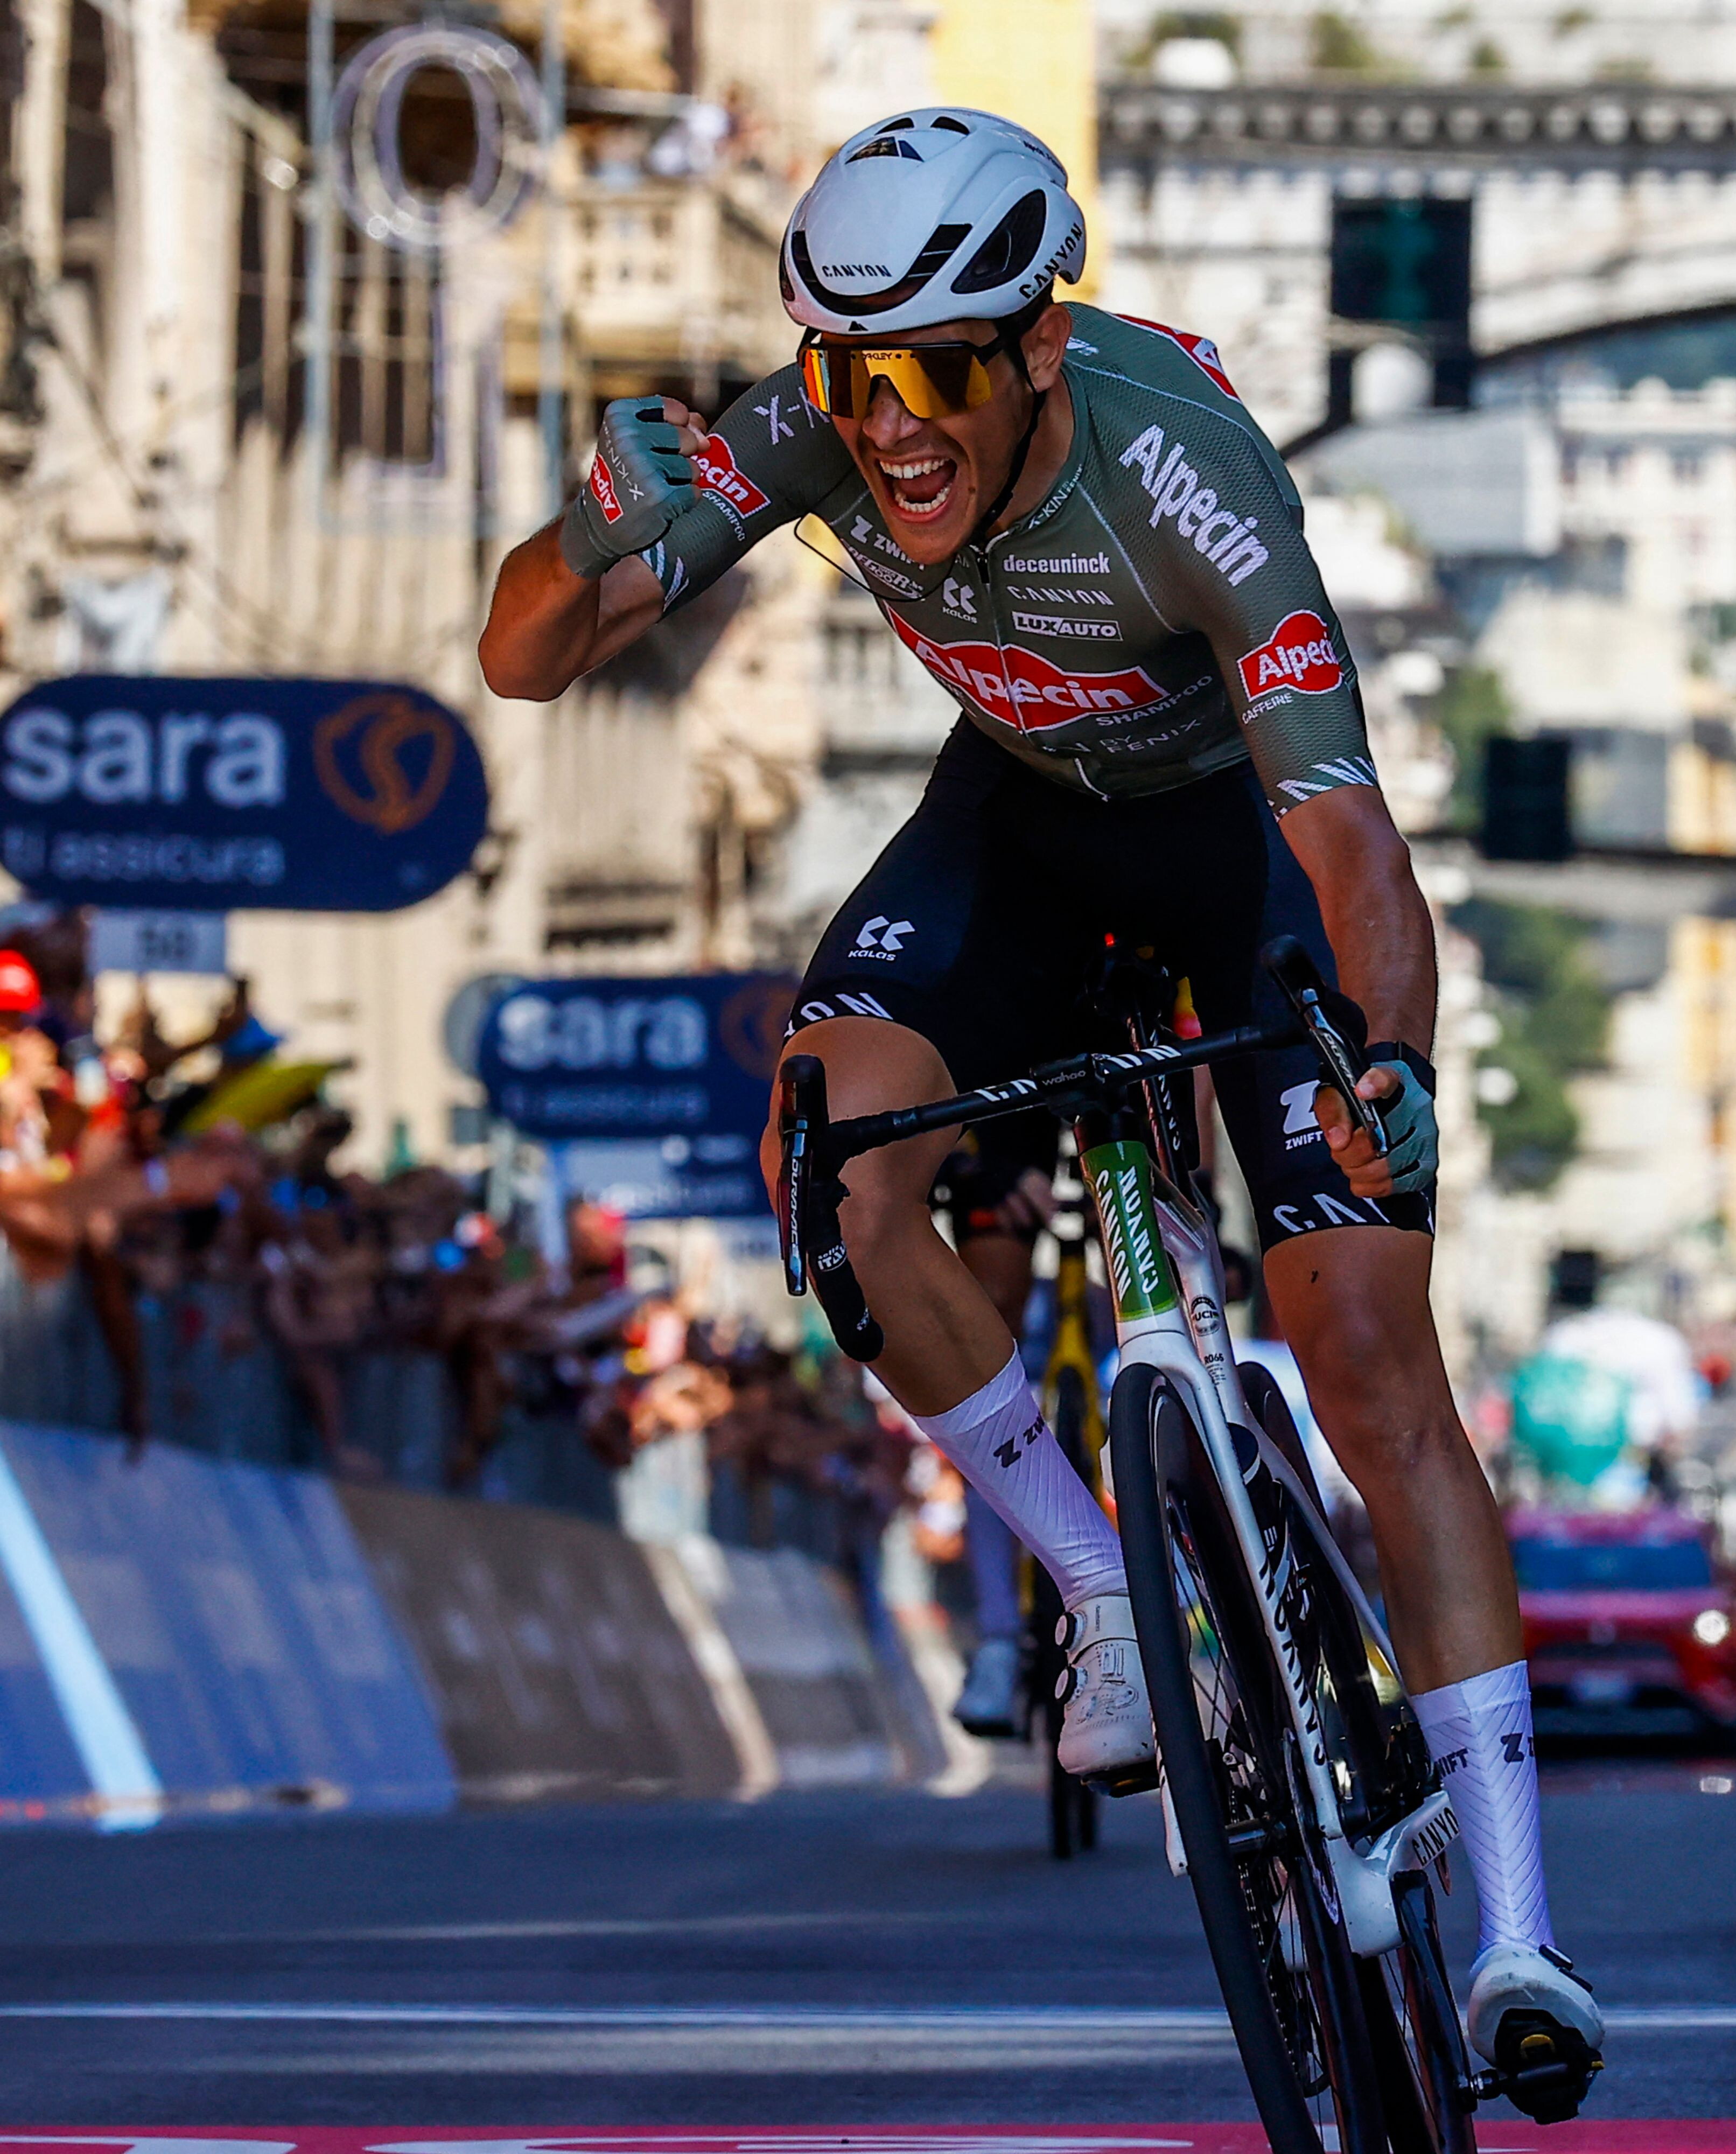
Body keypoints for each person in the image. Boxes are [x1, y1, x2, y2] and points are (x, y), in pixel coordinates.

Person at [475, 107, 1600, 2106]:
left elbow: (1351, 846)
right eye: (849, 377)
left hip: (1234, 849)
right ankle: (1099, 1580)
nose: (886, 429)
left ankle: (1515, 1923)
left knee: (1364, 1347)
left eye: (931, 379)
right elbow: (530, 657)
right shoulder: (825, 424)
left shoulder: (1190, 471)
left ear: (1038, 350)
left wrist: (1395, 1070)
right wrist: (586, 527)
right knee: (829, 1173)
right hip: (1021, 826)